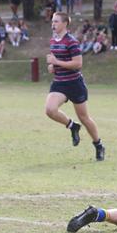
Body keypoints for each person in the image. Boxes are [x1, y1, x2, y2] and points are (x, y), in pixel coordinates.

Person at [45, 12, 106, 161]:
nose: (53, 24)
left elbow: (78, 64)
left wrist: (57, 62)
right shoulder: (53, 40)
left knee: (84, 118)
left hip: (74, 83)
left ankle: (98, 145)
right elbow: (56, 60)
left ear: (65, 23)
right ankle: (72, 126)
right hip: (59, 82)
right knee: (50, 110)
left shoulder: (71, 41)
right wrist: (52, 66)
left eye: (56, 22)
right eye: (52, 22)